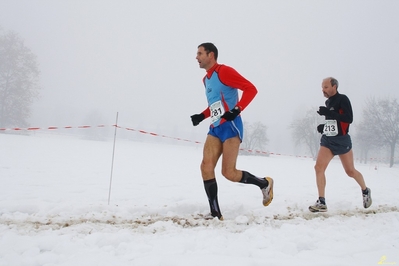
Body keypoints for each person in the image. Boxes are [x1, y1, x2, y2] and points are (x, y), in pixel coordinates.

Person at [190, 42, 274, 220]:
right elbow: (215, 105)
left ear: (210, 55)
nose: (196, 57)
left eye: (199, 53)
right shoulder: (206, 80)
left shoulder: (224, 72)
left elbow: (251, 89)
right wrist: (201, 115)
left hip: (231, 126)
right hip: (215, 127)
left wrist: (237, 109)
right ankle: (215, 213)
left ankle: (264, 183)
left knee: (228, 172)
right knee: (206, 167)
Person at [309, 77, 372, 212]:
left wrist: (329, 113)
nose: (323, 90)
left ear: (334, 87)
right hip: (328, 141)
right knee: (318, 167)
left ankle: (365, 190)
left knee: (350, 171)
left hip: (342, 141)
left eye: (326, 87)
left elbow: (348, 119)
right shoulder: (328, 102)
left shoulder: (343, 99)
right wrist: (324, 127)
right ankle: (322, 201)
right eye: (322, 87)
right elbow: (334, 122)